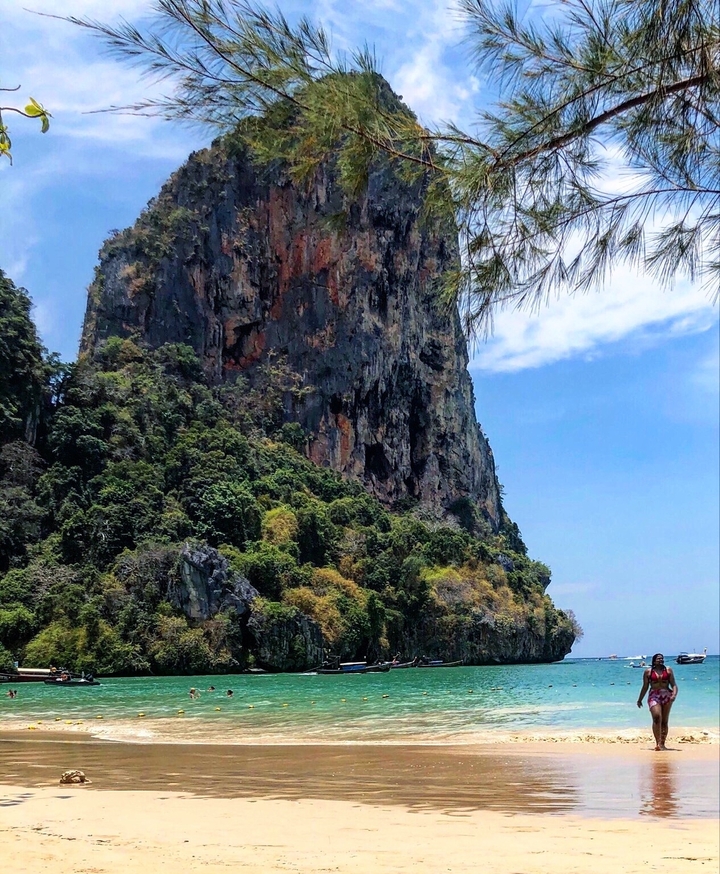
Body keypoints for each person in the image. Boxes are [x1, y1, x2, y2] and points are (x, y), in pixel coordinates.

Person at [637, 653, 678, 751]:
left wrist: (674, 694)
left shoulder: (668, 670)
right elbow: (645, 686)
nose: (661, 660)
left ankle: (662, 744)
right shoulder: (648, 672)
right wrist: (640, 699)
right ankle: (657, 742)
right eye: (659, 659)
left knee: (664, 721)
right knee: (656, 717)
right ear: (654, 660)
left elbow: (674, 684)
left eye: (662, 658)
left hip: (666, 695)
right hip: (654, 695)